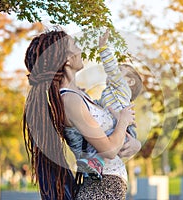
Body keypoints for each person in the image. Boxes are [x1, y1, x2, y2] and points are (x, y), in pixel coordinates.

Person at [23, 27, 141, 200]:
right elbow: (109, 150)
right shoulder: (71, 101)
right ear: (67, 61)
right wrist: (123, 121)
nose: (80, 49)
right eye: (74, 46)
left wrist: (135, 143)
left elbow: (114, 141)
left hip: (105, 188)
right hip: (100, 189)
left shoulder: (81, 96)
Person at [76, 30, 143, 180]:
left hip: (125, 131)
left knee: (110, 145)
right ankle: (96, 165)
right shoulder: (108, 93)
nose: (114, 74)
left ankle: (97, 163)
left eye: (120, 71)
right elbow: (98, 106)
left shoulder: (123, 89)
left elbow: (111, 70)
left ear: (130, 81)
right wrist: (84, 95)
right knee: (103, 143)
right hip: (115, 127)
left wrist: (103, 48)